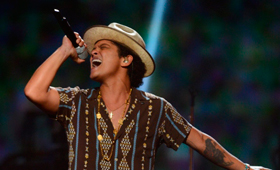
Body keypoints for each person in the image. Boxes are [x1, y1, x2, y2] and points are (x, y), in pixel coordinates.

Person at [24, 22, 270, 170]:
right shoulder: (76, 101)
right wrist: (64, 50)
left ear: (126, 59)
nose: (94, 51)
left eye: (103, 47)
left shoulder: (155, 108)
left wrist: (246, 168)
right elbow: (34, 92)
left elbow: (201, 142)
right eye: (93, 48)